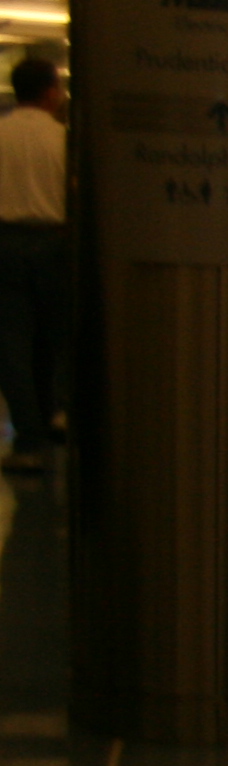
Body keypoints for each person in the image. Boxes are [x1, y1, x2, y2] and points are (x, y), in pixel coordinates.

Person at [0, 57, 67, 474]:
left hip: (4, 242)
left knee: (12, 344)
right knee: (56, 337)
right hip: (55, 243)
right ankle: (58, 414)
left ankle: (28, 441)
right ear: (49, 93)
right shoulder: (64, 139)